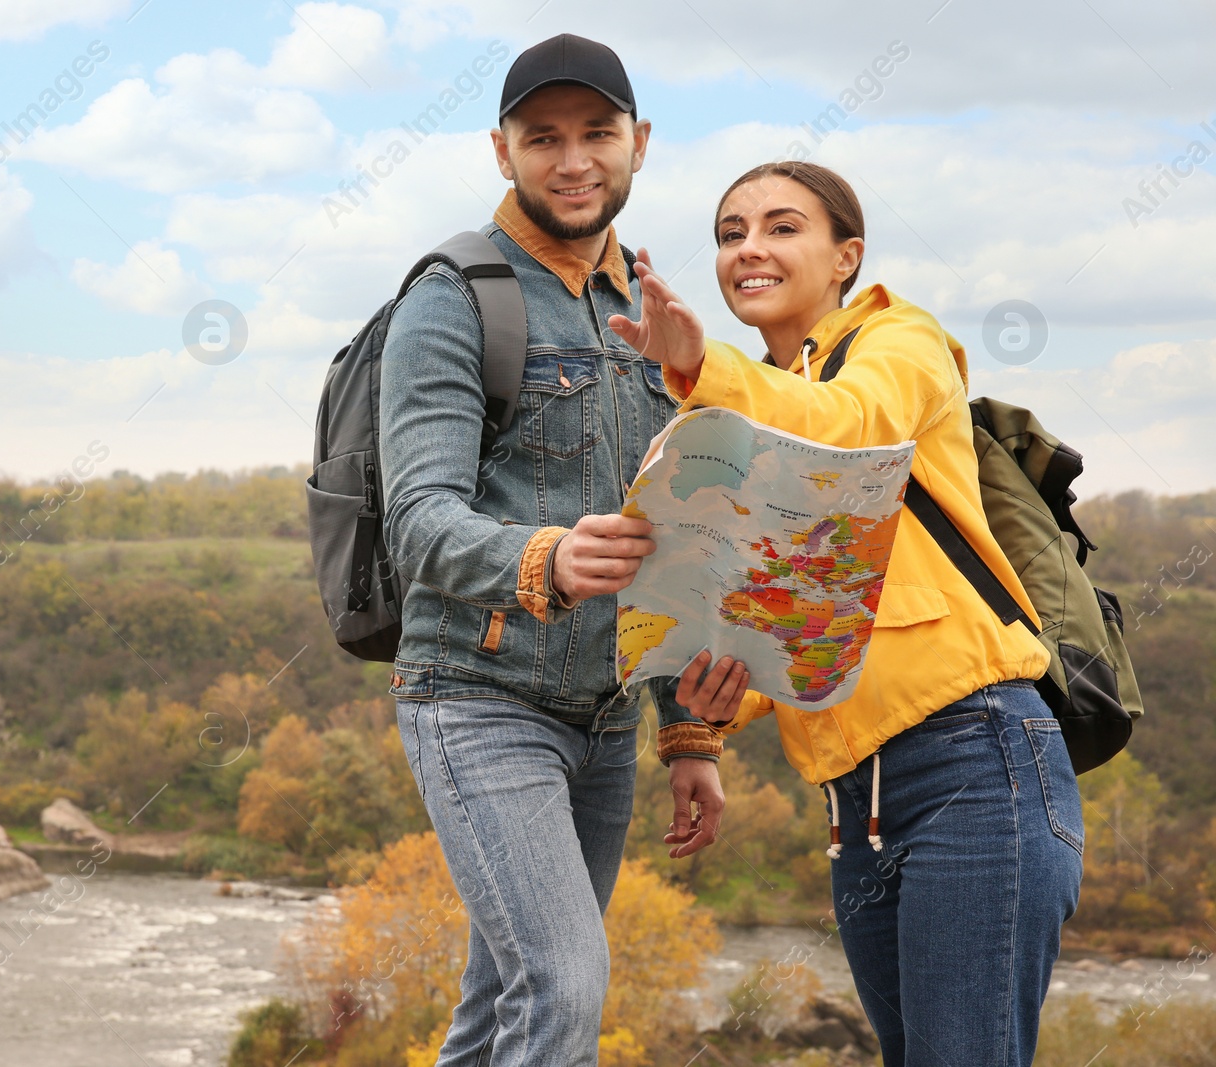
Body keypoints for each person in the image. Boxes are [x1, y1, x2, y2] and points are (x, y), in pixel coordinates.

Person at [610, 160, 1085, 1067]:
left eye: (782, 227)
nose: (749, 247)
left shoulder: (900, 339)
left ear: (845, 257)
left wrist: (695, 366)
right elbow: (781, 618)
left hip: (978, 761)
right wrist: (708, 719)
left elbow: (852, 425)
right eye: (729, 233)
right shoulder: (749, 403)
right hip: (855, 806)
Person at [378, 34, 749, 1066]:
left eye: (597, 133)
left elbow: (680, 537)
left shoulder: (653, 307)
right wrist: (541, 556)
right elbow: (417, 516)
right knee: (563, 982)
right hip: (477, 694)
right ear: (502, 151)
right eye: (544, 137)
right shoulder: (453, 296)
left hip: (604, 719)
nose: (572, 158)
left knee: (505, 995)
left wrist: (688, 736)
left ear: (640, 144)